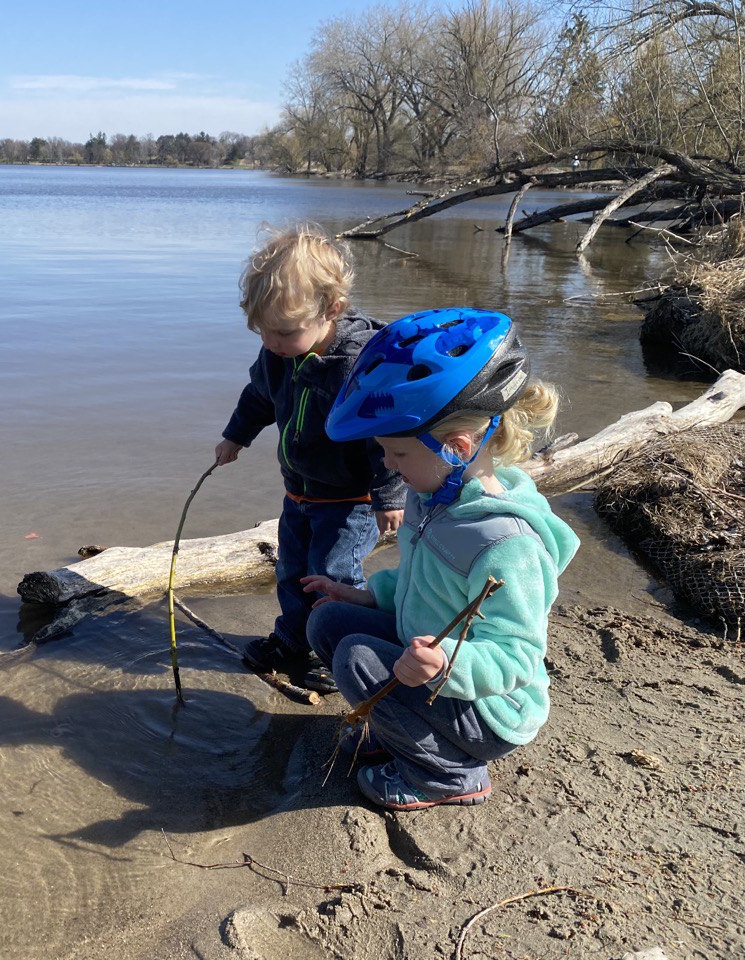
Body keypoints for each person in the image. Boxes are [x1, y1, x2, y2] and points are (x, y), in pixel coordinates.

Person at [302, 307, 579, 811]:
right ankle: (399, 726)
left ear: (457, 448)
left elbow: (517, 657)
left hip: (490, 707)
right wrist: (363, 595)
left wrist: (446, 663)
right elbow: (420, 581)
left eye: (398, 454)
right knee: (328, 622)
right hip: (429, 658)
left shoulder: (506, 543)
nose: (387, 464)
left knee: (356, 659)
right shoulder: (432, 495)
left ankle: (450, 775)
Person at [215, 223, 406, 693]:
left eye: (283, 332)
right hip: (298, 491)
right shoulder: (278, 355)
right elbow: (259, 397)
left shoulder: (358, 362)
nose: (273, 343)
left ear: (332, 310)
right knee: (292, 570)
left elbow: (384, 436)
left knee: (332, 575)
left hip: (351, 499)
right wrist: (235, 437)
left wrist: (388, 496)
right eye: (263, 332)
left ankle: (332, 648)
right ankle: (293, 639)